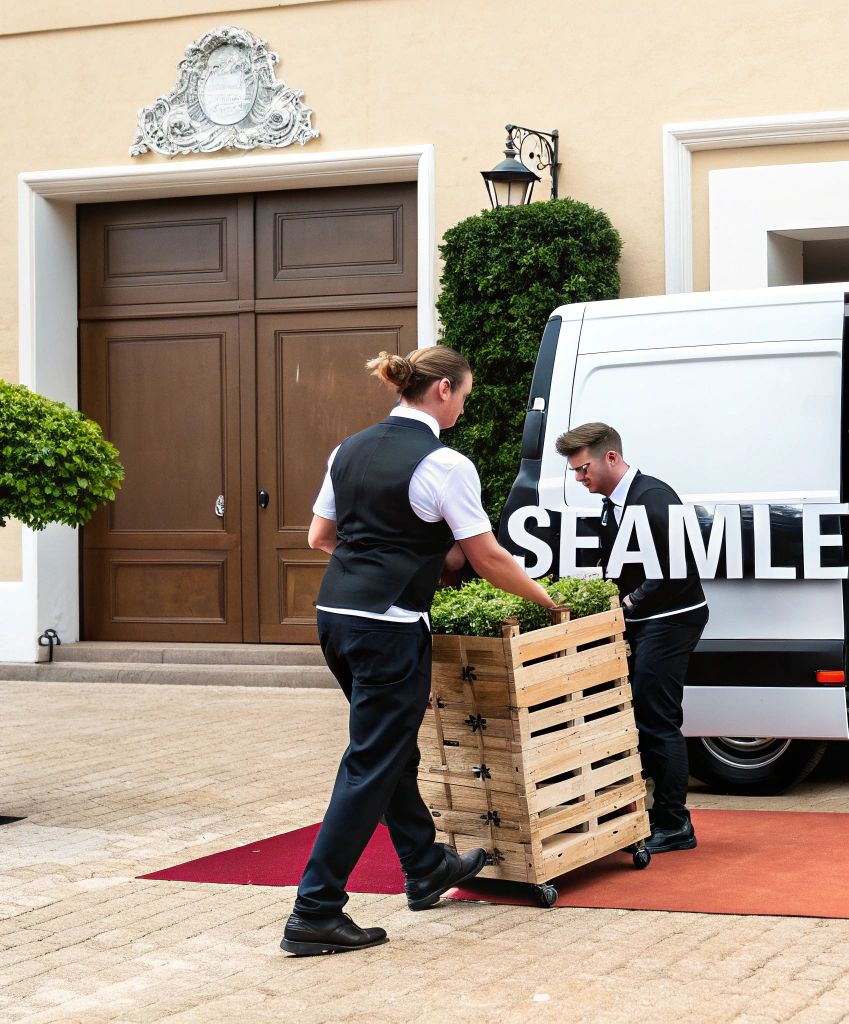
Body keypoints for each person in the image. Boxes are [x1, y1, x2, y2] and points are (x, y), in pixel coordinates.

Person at [281, 345, 557, 957]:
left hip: (336, 619)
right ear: (441, 392)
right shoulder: (446, 464)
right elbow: (485, 557)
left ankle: (425, 864)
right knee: (370, 764)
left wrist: (380, 561)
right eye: (463, 393)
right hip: (388, 627)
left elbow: (319, 537)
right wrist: (546, 602)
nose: (463, 403)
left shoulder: (346, 449)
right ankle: (315, 910)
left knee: (388, 751)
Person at [553, 422, 708, 853]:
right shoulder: (615, 503)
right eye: (574, 472)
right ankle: (643, 815)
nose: (579, 479)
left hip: (673, 619)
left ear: (611, 458)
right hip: (648, 620)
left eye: (583, 469)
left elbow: (679, 569)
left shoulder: (654, 500)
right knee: (642, 716)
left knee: (657, 720)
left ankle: (675, 824)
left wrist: (630, 602)